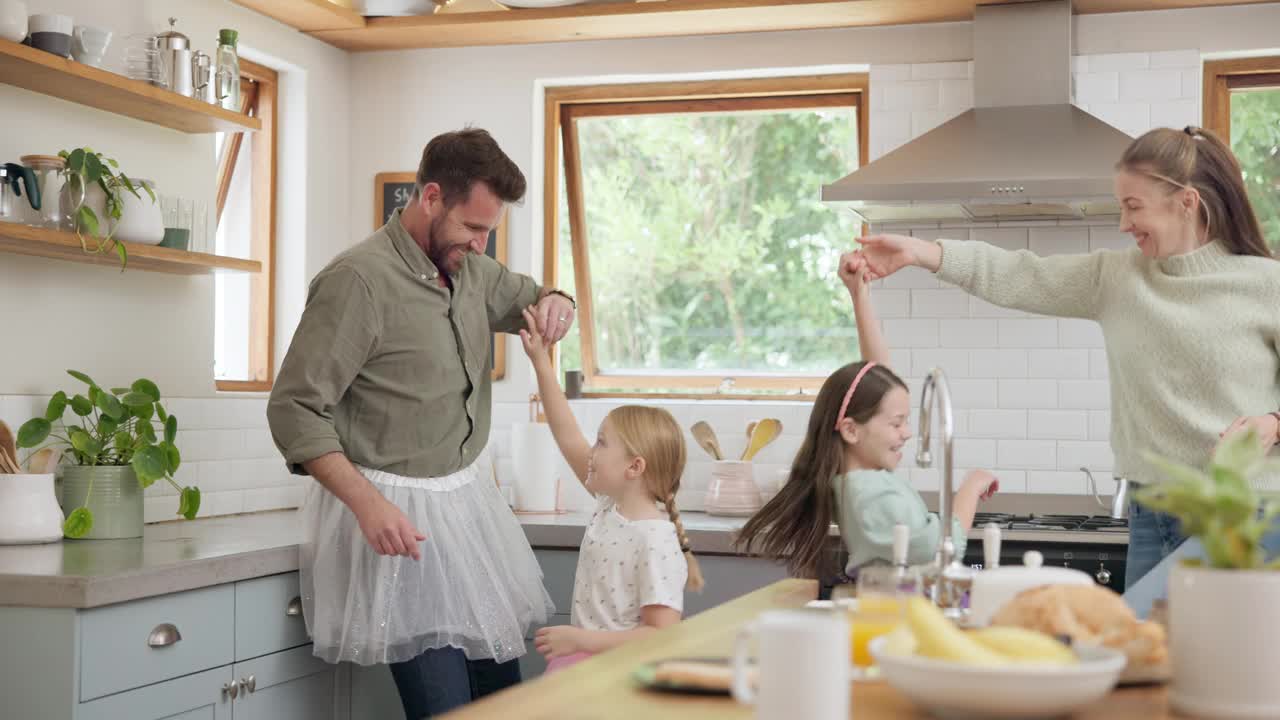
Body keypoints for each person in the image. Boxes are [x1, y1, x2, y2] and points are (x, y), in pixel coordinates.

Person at [848, 126, 1280, 597]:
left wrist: (1273, 423)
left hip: (1242, 514)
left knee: (1179, 648)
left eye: (1133, 206)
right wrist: (920, 252)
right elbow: (1020, 274)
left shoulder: (1265, 285)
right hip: (1150, 512)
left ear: (1187, 202)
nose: (1122, 223)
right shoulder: (1116, 279)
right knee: (1147, 657)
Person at [266, 128, 579, 718]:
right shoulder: (357, 283)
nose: (483, 246)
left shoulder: (472, 272)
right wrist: (367, 504)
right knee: (444, 707)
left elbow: (537, 298)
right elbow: (294, 408)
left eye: (491, 231)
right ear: (431, 197)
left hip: (465, 511)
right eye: (473, 228)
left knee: (504, 703)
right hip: (393, 515)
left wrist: (560, 298)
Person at [734, 256, 998, 579]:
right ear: (850, 430)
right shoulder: (873, 494)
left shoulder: (857, 479)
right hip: (890, 609)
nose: (907, 432)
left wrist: (859, 296)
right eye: (897, 422)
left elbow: (877, 377)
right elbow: (943, 546)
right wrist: (970, 489)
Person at [519, 307, 704, 672]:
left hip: (617, 674)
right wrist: (541, 363)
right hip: (582, 666)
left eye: (602, 443)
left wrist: (579, 640)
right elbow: (566, 433)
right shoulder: (608, 508)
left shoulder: (655, 539)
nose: (590, 451)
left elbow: (660, 633)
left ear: (634, 467)